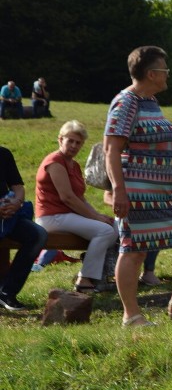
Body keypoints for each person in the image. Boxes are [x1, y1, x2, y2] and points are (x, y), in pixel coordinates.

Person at [104, 45, 172, 326]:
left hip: (165, 191)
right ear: (151, 73)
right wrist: (119, 190)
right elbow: (111, 150)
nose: (168, 75)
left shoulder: (149, 101)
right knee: (134, 249)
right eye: (165, 70)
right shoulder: (126, 102)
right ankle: (132, 315)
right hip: (136, 192)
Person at [34, 120, 119, 292]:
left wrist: (100, 216)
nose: (74, 145)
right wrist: (96, 218)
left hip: (66, 215)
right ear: (60, 140)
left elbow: (80, 197)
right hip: (51, 217)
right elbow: (67, 198)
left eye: (78, 142)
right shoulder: (55, 161)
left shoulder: (74, 165)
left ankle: (105, 273)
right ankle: (84, 279)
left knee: (115, 226)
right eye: (70, 140)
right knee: (105, 231)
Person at [0, 147, 48, 311]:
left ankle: (7, 292)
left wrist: (16, 202)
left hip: (6, 215)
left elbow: (17, 187)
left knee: (37, 235)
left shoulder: (4, 154)